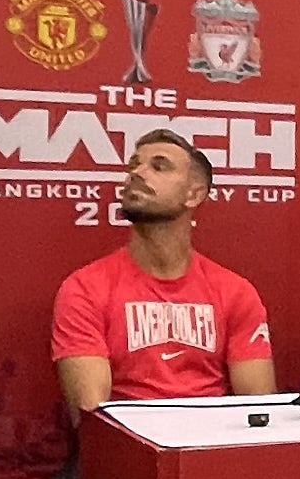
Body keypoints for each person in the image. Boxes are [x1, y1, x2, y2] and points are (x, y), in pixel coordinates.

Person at [53, 132, 277, 407]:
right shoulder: (84, 289)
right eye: (134, 165)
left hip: (208, 444)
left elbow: (259, 411)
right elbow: (92, 419)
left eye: (159, 166)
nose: (136, 173)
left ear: (194, 194)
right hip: (128, 446)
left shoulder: (236, 293)